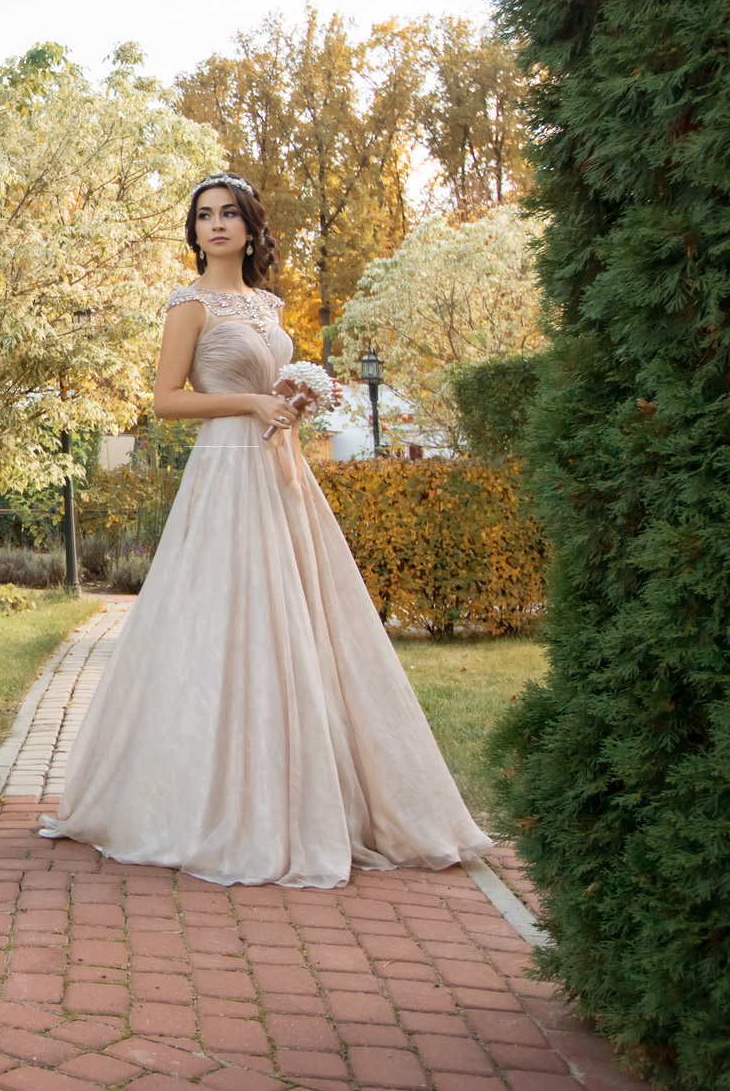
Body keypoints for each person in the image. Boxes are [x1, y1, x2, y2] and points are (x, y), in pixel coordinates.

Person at [38, 173, 491, 888]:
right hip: (222, 474)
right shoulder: (188, 304)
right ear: (194, 232)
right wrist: (251, 400)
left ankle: (314, 792)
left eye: (228, 214)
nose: (214, 225)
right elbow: (165, 400)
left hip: (281, 476)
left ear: (251, 229)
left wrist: (294, 403)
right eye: (203, 216)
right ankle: (208, 797)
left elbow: (275, 392)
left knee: (303, 617)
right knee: (220, 620)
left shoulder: (270, 304)